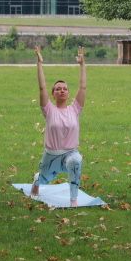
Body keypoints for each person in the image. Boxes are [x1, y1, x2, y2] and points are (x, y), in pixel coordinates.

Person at [30, 45, 86, 207]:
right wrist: (39, 63)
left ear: (68, 93)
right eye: (58, 89)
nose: (62, 91)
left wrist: (82, 65)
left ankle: (73, 200)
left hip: (70, 153)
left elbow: (83, 87)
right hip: (51, 156)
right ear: (53, 94)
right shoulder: (49, 110)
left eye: (65, 89)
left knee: (76, 162)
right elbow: (42, 87)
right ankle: (37, 180)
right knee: (45, 178)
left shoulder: (75, 109)